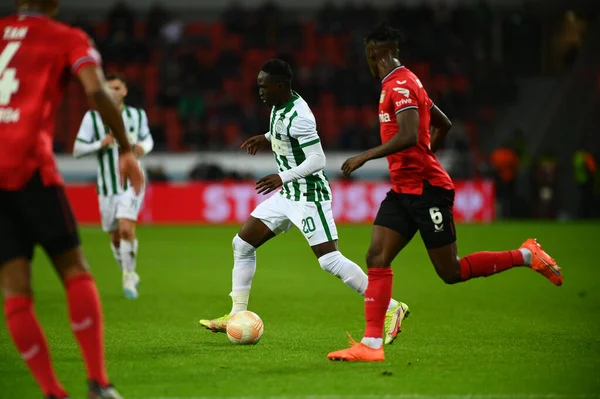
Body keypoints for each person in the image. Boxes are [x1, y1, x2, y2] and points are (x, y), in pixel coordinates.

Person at [327, 23, 562, 363]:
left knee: (450, 272)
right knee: (376, 256)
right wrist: (425, 155)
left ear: (375, 53)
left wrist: (367, 156)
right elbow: (444, 124)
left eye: (368, 54)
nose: (367, 60)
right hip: (404, 190)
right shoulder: (401, 82)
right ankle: (372, 345)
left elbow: (408, 134)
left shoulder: (402, 85)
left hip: (427, 191)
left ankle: (526, 256)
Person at [199, 59, 410, 345]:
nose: (259, 90)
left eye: (263, 86)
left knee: (329, 260)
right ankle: (237, 314)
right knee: (242, 243)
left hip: (309, 195)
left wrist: (283, 176)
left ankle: (391, 306)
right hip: (288, 194)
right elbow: (283, 135)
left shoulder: (301, 115)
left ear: (280, 86)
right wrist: (266, 138)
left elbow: (318, 159)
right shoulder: (277, 107)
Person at [0, 1, 144, 398]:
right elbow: (96, 90)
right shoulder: (66, 37)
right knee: (74, 270)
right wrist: (126, 150)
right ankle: (98, 383)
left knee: (14, 289)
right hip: (30, 167)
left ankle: (52, 391)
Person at [74, 73, 154, 299]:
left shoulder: (137, 115)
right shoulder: (92, 118)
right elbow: (77, 149)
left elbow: (148, 139)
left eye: (117, 88)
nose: (113, 92)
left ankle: (128, 275)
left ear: (125, 90)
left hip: (132, 180)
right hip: (107, 185)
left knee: (126, 228)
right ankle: (128, 271)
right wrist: (101, 143)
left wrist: (142, 148)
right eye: (109, 88)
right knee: (115, 236)